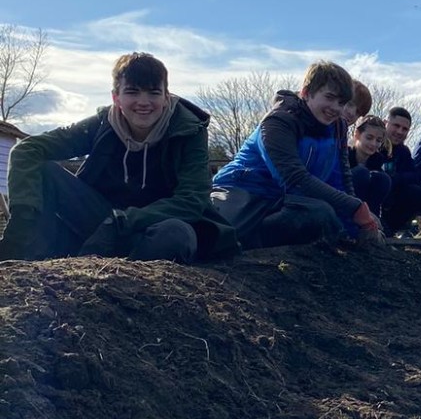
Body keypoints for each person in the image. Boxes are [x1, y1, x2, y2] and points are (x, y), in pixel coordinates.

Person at [0, 52, 235, 264]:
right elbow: (27, 150)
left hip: (154, 226)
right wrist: (20, 226)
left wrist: (123, 221)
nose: (143, 102)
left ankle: (114, 271)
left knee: (176, 235)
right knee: (44, 170)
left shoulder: (190, 131)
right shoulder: (103, 124)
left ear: (166, 97)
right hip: (100, 221)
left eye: (153, 93)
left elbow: (192, 200)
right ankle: (34, 254)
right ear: (116, 97)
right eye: (132, 92)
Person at [211, 61, 382, 249]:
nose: (335, 108)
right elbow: (294, 178)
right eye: (329, 97)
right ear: (306, 93)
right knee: (220, 241)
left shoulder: (338, 126)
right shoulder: (279, 122)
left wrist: (358, 224)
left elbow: (340, 178)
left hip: (283, 201)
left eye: (341, 103)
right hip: (244, 191)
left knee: (320, 215)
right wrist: (356, 208)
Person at [378, 106, 421, 236]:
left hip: (394, 198)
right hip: (373, 199)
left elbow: (416, 176)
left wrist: (395, 178)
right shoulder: (373, 144)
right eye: (396, 126)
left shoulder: (404, 151)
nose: (399, 131)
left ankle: (397, 227)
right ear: (386, 123)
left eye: (404, 129)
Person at [348, 115, 392, 218]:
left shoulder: (377, 164)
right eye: (369, 138)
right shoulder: (344, 156)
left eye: (378, 140)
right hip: (345, 203)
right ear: (357, 135)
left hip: (369, 212)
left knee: (383, 178)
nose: (373, 143)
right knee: (361, 173)